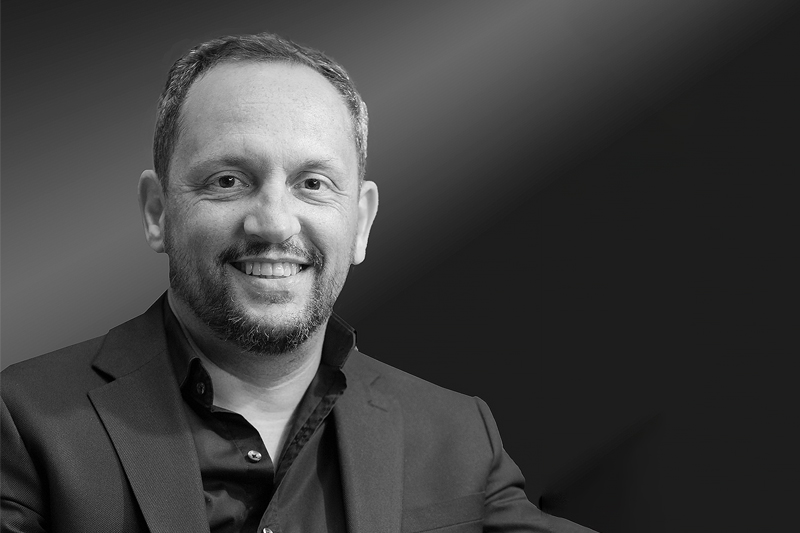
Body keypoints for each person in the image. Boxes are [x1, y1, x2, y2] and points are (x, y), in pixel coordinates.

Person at [1, 33, 594, 533]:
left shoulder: (457, 436)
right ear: (158, 212)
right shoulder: (25, 422)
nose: (274, 223)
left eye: (313, 184)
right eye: (229, 180)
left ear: (361, 222)